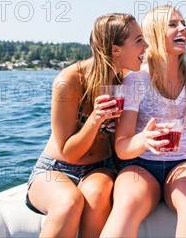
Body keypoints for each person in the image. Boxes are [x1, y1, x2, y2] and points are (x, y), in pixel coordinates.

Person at [25, 13, 149, 237]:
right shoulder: (69, 81)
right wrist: (95, 118)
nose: (146, 45)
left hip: (100, 167)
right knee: (67, 203)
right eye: (139, 40)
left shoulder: (127, 80)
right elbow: (69, 153)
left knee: (97, 194)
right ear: (115, 50)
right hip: (55, 169)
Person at [101, 5, 186, 238]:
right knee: (127, 202)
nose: (183, 29)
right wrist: (143, 140)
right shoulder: (136, 80)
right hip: (140, 165)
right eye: (173, 24)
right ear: (154, 33)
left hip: (185, 162)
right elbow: (122, 147)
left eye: (183, 24)